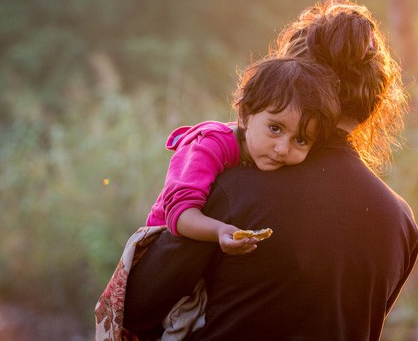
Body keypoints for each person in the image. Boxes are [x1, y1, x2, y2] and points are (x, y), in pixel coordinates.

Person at [122, 0, 418, 340]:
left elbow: (137, 308)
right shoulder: (401, 223)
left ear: (294, 83)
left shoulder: (233, 190)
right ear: (373, 101)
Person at [95, 56, 341, 340]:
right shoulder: (209, 146)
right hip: (166, 264)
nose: (282, 148)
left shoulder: (269, 159)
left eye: (301, 140)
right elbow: (180, 215)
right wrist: (221, 231)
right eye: (275, 128)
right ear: (246, 115)